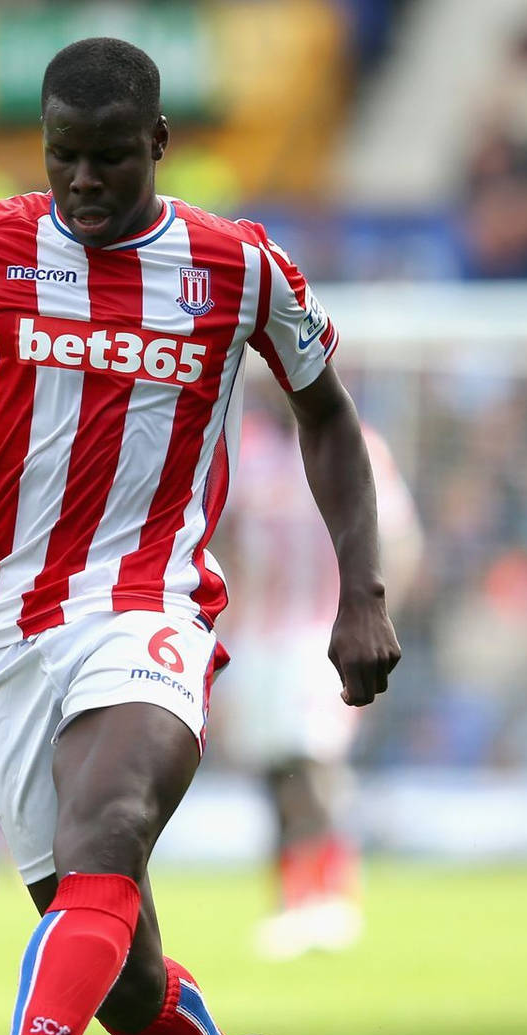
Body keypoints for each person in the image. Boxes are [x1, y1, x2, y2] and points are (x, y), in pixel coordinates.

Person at [0, 38, 400, 1035]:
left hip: (151, 608)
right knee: (122, 970)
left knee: (113, 826)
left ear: (160, 144)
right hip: (4, 635)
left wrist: (363, 592)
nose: (84, 180)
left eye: (112, 157)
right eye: (63, 155)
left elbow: (332, 423)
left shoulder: (239, 266)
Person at [215, 398, 422, 961]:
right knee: (273, 770)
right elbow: (220, 536)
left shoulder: (359, 445)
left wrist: (376, 612)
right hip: (256, 636)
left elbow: (402, 541)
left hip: (323, 633)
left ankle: (332, 894)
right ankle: (292, 899)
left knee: (314, 759)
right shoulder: (244, 449)